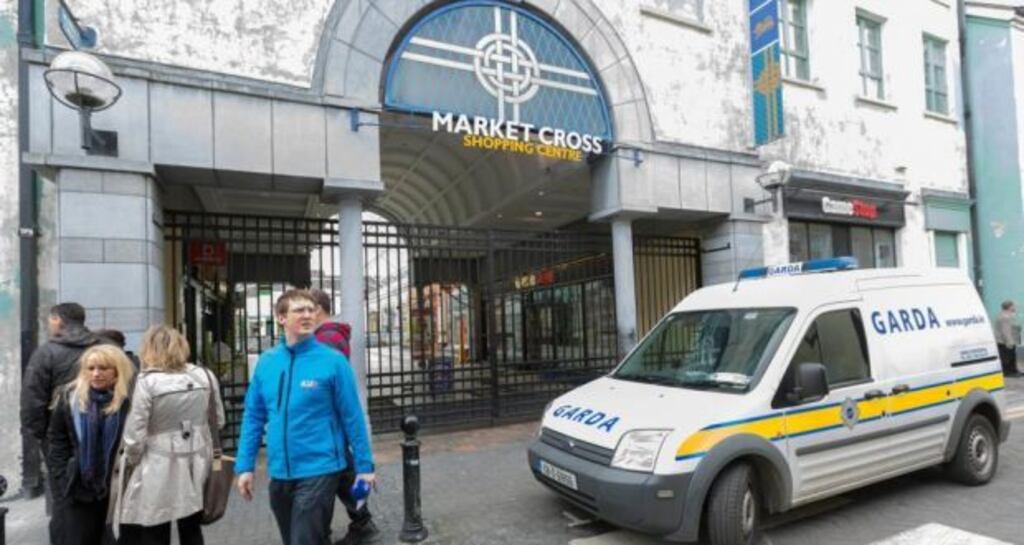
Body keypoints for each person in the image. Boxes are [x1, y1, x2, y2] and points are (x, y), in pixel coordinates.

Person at [236, 289, 375, 545]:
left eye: (311, 310)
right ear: (281, 318)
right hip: (280, 472)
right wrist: (245, 466)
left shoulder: (333, 362)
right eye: (299, 310)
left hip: (321, 468)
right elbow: (253, 416)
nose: (308, 315)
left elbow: (352, 417)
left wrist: (364, 467)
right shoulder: (267, 362)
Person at [114, 325, 224, 545]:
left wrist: (132, 461)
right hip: (197, 457)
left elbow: (135, 433)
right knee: (191, 525)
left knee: (156, 525)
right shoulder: (204, 375)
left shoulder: (147, 381)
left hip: (156, 461)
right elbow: (218, 420)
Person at [20, 303, 104, 543]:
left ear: (57, 320)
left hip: (59, 438)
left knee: (63, 497)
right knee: (99, 493)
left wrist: (41, 435)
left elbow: (32, 401)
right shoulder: (103, 348)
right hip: (100, 432)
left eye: (50, 320)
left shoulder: (46, 353)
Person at [309, 288, 379, 545]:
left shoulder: (326, 338)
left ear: (318, 308)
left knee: (339, 475)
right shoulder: (328, 335)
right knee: (344, 474)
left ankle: (359, 523)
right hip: (332, 424)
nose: (303, 314)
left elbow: (327, 383)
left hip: (329, 422)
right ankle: (362, 522)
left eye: (307, 308)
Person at [47, 345, 134, 545]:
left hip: (117, 489)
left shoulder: (129, 401)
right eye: (91, 368)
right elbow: (57, 440)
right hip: (80, 487)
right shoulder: (69, 398)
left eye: (103, 368)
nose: (95, 374)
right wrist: (63, 477)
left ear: (117, 371)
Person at [995, 300, 1021, 377]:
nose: (1015, 307)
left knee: (1011, 357)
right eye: (1013, 306)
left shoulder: (1006, 315)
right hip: (1005, 342)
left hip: (1007, 341)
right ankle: (1008, 372)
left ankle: (1014, 371)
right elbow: (1006, 331)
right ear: (1009, 307)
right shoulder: (1005, 317)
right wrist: (1010, 342)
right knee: (1007, 358)